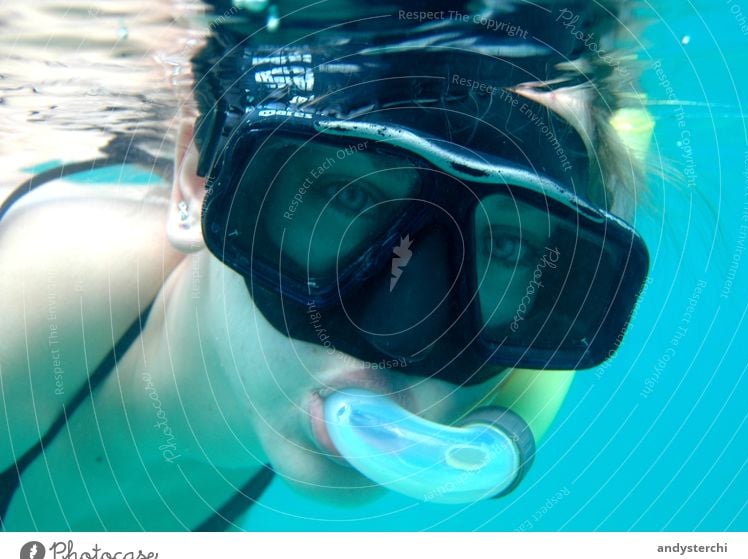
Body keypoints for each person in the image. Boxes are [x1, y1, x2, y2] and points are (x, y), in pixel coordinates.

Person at [0, 0, 652, 530]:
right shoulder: (33, 302)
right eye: (348, 197)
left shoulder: (485, 360)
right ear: (198, 188)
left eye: (508, 247)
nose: (400, 338)